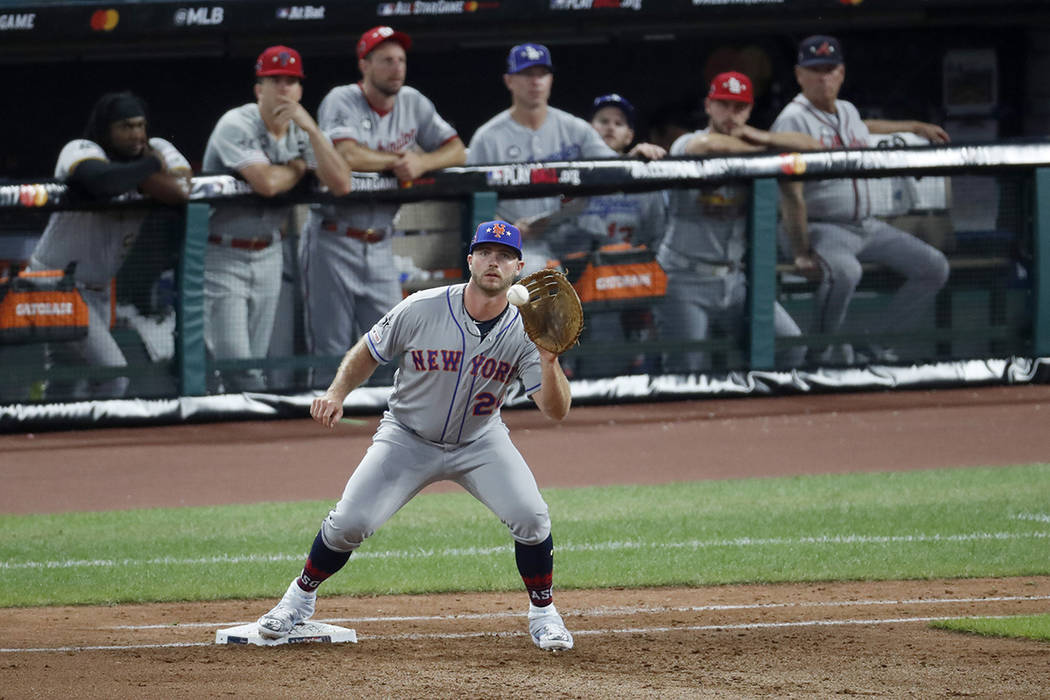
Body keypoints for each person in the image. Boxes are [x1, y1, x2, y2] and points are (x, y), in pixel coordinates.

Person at [256, 220, 575, 652]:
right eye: (484, 252)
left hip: (480, 442)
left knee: (532, 517)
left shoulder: (527, 331)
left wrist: (549, 360)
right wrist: (336, 392)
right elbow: (370, 349)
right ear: (470, 260)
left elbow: (555, 411)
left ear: (519, 267)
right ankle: (298, 599)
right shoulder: (423, 307)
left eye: (503, 255)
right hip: (406, 437)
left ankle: (544, 614)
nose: (492, 261)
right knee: (350, 522)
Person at [300, 25, 466, 386]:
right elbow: (345, 154)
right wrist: (396, 161)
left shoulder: (414, 102)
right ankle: (317, 433)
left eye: (401, 60)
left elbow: (458, 150)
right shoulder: (341, 99)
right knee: (329, 348)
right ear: (365, 65)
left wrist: (422, 163)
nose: (397, 68)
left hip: (380, 243)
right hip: (333, 238)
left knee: (395, 341)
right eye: (386, 60)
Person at [771, 35, 951, 364]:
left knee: (934, 267)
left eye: (830, 69)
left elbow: (863, 128)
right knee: (845, 272)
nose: (823, 77)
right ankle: (819, 353)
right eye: (815, 70)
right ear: (799, 75)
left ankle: (878, 345)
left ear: (841, 72)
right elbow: (790, 195)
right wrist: (800, 250)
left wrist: (912, 125)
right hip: (822, 228)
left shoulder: (847, 110)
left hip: (867, 227)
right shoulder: (793, 119)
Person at [202, 45, 350, 392]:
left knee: (254, 359)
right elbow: (267, 183)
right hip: (221, 252)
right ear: (259, 89)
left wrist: (313, 130)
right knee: (235, 361)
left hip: (269, 251)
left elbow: (341, 183)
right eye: (275, 80)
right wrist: (299, 167)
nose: (284, 88)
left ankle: (244, 439)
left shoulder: (301, 129)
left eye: (291, 81)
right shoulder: (236, 123)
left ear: (300, 90)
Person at [25, 91, 191, 399]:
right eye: (126, 127)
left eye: (141, 125)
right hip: (56, 282)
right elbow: (101, 181)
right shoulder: (80, 148)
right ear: (107, 129)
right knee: (113, 375)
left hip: (98, 290)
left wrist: (142, 170)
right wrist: (151, 167)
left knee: (64, 380)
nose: (136, 134)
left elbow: (183, 189)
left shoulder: (155, 150)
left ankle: (51, 440)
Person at [656, 71, 820, 373]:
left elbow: (816, 147)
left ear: (750, 109)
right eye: (723, 105)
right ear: (708, 105)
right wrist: (769, 154)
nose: (731, 114)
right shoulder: (688, 142)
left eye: (739, 107)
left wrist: (766, 138)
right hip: (684, 278)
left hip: (735, 282)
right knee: (684, 369)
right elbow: (705, 148)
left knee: (790, 344)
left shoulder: (759, 143)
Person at [467, 43, 665, 277]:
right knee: (540, 273)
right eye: (527, 74)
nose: (536, 81)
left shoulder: (574, 129)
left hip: (573, 237)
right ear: (509, 80)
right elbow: (475, 202)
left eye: (542, 74)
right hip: (521, 244)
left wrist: (635, 155)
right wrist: (509, 231)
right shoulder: (488, 137)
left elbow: (612, 168)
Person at [561, 94, 669, 377]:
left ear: (630, 135)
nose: (610, 127)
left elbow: (657, 239)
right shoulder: (571, 174)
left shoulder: (645, 181)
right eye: (603, 121)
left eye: (619, 123)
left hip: (627, 286)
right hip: (577, 281)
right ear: (588, 129)